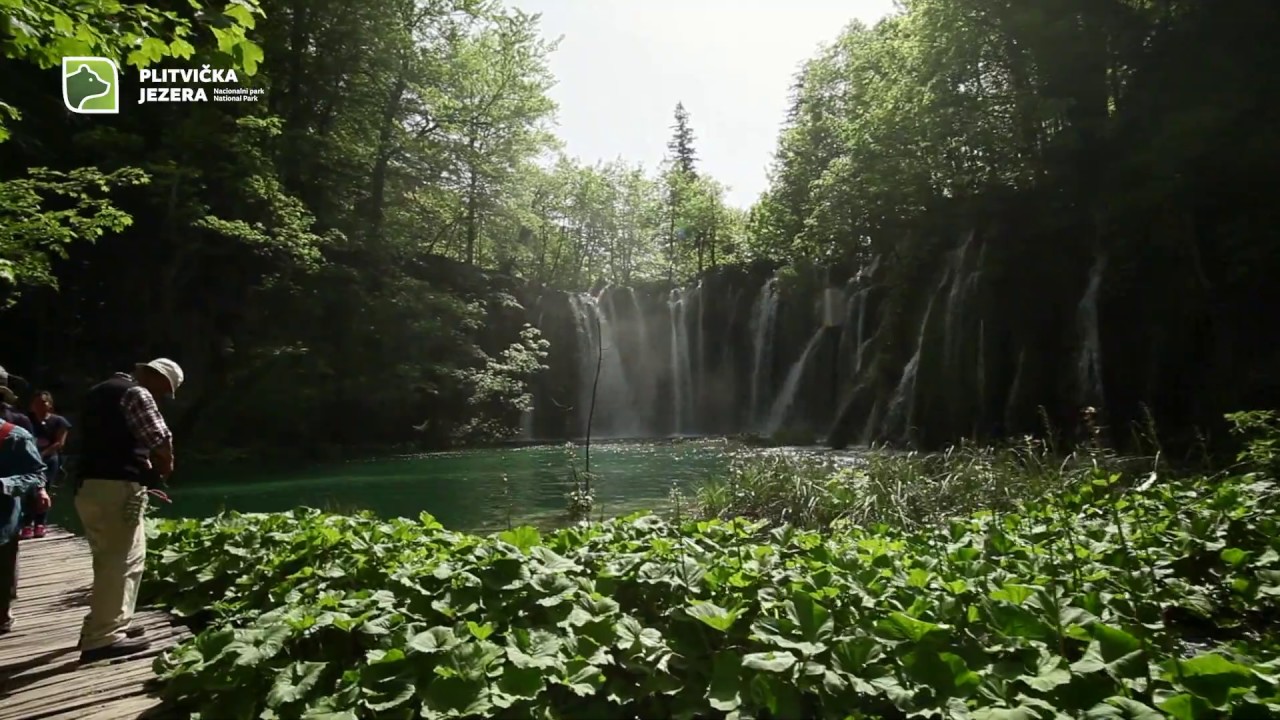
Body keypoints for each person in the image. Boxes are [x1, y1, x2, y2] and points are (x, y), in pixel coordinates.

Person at [75, 358, 183, 662]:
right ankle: (103, 638)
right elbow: (159, 437)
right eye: (165, 390)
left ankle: (109, 624)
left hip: (88, 486)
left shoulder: (98, 392)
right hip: (116, 488)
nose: (162, 397)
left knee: (108, 560)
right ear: (157, 377)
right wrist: (165, 466)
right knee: (123, 561)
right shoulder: (137, 393)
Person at [0, 368, 49, 633]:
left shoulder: (14, 435)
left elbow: (36, 472)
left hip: (3, 517)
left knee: (4, 568)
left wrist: (5, 484)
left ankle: (3, 614)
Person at [20, 391, 71, 539]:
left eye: (43, 402)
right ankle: (27, 523)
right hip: (29, 459)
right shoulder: (26, 420)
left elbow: (59, 443)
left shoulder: (59, 421)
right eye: (36, 402)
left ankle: (40, 523)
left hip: (49, 459)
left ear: (50, 404)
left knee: (45, 489)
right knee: (28, 490)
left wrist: (42, 454)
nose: (40, 405)